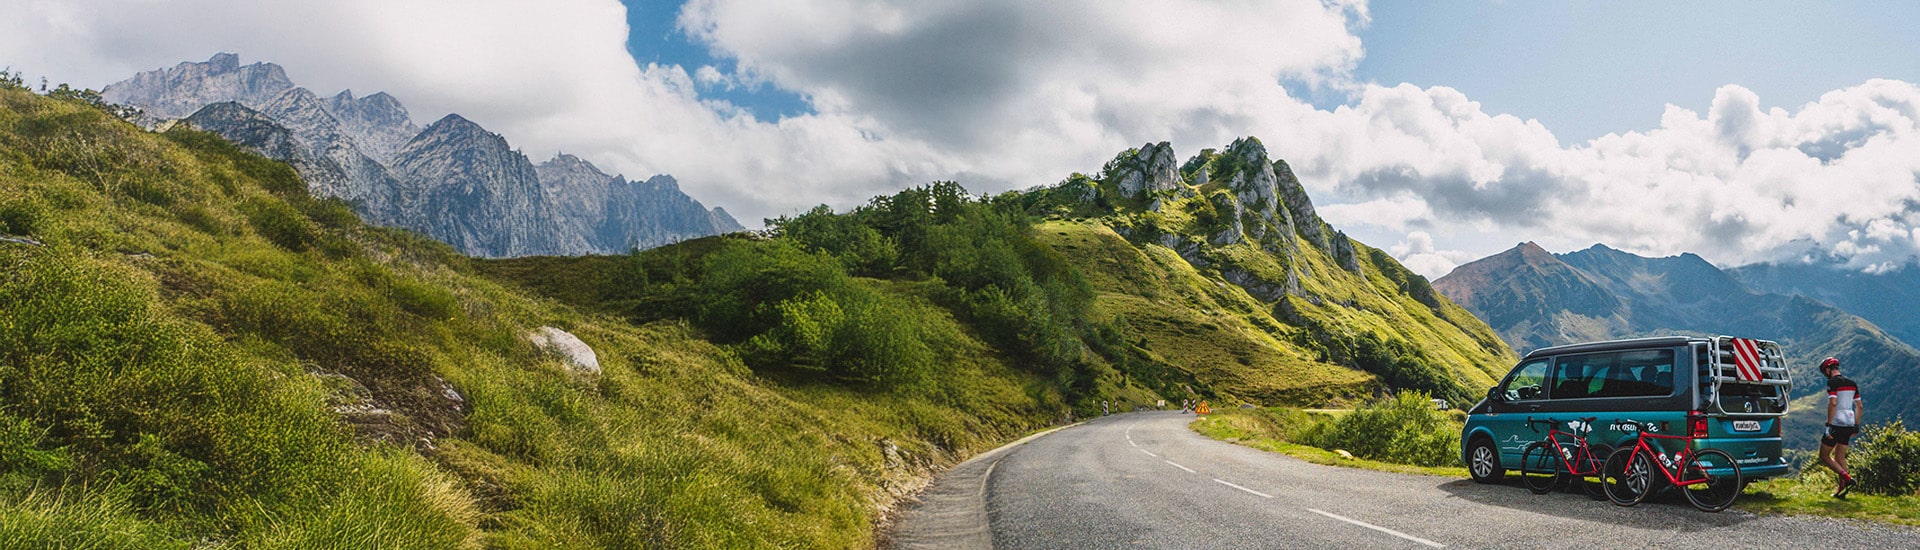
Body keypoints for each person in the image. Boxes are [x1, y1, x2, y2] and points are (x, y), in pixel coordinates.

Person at [1817, 357, 1864, 498]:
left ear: (1827, 370)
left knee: (1824, 455)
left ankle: (1847, 478)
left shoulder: (1832, 382)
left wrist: (1828, 425)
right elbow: (1859, 406)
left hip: (1836, 422)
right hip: (1849, 422)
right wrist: (1856, 425)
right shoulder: (1852, 383)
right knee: (1840, 457)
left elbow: (1833, 403)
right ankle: (1842, 490)